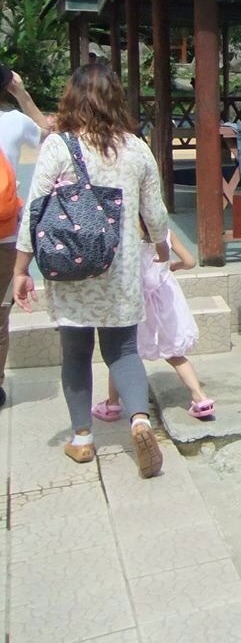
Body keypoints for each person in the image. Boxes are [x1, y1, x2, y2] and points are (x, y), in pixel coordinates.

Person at [13, 64, 171, 478]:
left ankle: (82, 438)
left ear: (72, 98)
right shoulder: (135, 148)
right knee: (123, 349)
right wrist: (161, 249)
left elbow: (35, 209)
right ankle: (139, 421)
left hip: (70, 265)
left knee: (76, 352)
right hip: (119, 267)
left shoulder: (59, 146)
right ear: (115, 99)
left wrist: (21, 269)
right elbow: (155, 213)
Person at [91, 233, 214, 422]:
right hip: (164, 299)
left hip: (133, 298)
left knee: (121, 356)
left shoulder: (123, 233)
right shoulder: (165, 232)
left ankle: (112, 404)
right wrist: (174, 266)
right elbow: (190, 262)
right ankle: (200, 399)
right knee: (175, 354)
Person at [0, 68, 49, 408]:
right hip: (4, 232)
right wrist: (22, 93)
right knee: (0, 312)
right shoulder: (16, 122)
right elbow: (48, 134)